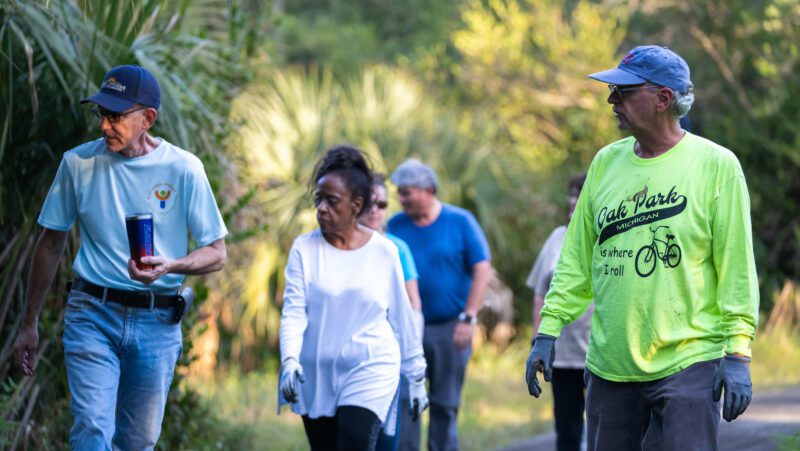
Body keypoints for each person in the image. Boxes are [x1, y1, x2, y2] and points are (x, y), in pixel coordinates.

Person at [525, 45, 759, 451]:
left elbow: (735, 268)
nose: (611, 100)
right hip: (610, 365)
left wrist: (738, 353)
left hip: (689, 360)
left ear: (663, 99)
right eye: (613, 91)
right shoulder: (604, 163)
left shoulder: (716, 166)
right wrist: (548, 331)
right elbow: (576, 260)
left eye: (624, 92)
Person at [12, 65, 228, 449]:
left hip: (158, 321)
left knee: (137, 441)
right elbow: (49, 243)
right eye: (101, 114)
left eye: (115, 116)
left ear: (148, 118)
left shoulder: (184, 169)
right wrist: (29, 323)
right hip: (92, 312)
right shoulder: (77, 165)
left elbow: (217, 253)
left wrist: (173, 265)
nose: (104, 126)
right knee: (93, 430)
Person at [278, 146, 429, 451]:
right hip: (317, 371)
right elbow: (294, 312)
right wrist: (289, 360)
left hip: (372, 365)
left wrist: (415, 377)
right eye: (318, 200)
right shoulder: (304, 249)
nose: (321, 208)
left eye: (331, 201)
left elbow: (402, 317)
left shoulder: (384, 251)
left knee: (354, 444)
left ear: (356, 204)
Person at [387, 159, 492, 451]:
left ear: (428, 190)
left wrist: (468, 318)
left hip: (450, 328)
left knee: (445, 403)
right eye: (399, 192)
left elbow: (482, 268)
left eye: (406, 192)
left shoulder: (460, 221)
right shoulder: (395, 225)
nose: (400, 199)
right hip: (407, 329)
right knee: (407, 402)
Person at [359, 173, 425, 451]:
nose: (376, 210)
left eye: (382, 205)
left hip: (389, 355)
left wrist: (412, 360)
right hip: (353, 357)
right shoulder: (337, 247)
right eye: (370, 204)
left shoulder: (398, 248)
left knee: (389, 436)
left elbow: (414, 306)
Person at [526, 173, 591, 451]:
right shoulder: (557, 238)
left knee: (609, 430)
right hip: (562, 354)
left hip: (602, 354)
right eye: (571, 195)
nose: (573, 200)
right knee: (567, 431)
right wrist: (538, 338)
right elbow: (540, 292)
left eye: (580, 194)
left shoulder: (613, 236)